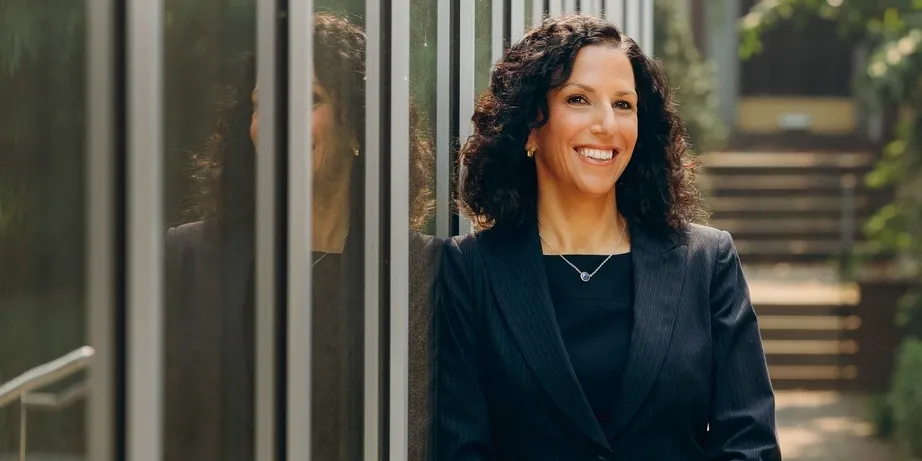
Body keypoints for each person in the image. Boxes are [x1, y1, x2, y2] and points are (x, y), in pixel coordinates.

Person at [430, 13, 781, 460]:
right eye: (579, 99)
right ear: (531, 124)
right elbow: (462, 448)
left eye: (623, 104)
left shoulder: (707, 261)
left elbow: (749, 443)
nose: (607, 125)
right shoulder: (471, 270)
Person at [163, 12, 439, 461]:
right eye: (261, 103)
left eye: (308, 98)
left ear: (358, 126)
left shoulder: (424, 273)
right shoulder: (187, 258)